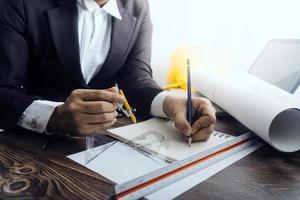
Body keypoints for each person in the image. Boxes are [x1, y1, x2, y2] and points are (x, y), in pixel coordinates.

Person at [0, 0, 216, 142]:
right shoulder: (17, 3)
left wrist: (170, 102)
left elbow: (136, 79)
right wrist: (54, 116)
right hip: (23, 145)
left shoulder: (138, 7)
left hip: (93, 148)